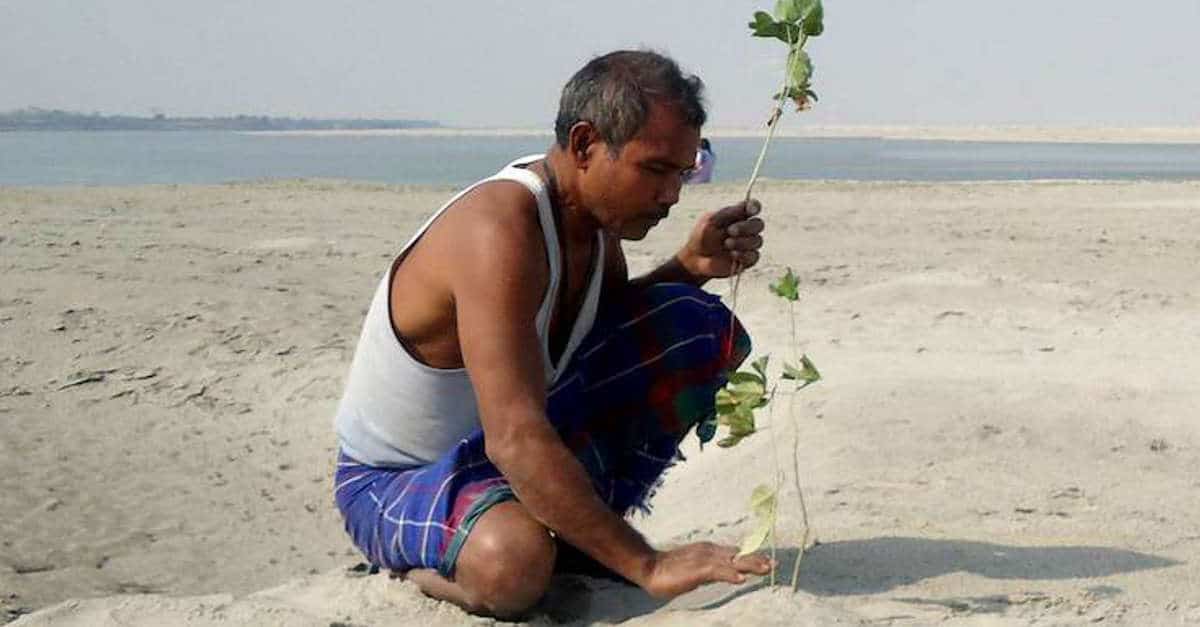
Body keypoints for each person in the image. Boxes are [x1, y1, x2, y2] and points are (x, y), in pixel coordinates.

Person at [332, 49, 769, 619]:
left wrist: (688, 268)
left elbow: (596, 346)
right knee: (513, 564)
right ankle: (422, 567)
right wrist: (647, 565)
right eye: (655, 170)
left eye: (683, 174)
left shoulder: (593, 228)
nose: (672, 196)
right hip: (395, 480)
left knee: (693, 325)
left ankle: (570, 539)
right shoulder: (500, 229)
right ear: (586, 145)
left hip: (493, 463)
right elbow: (514, 436)